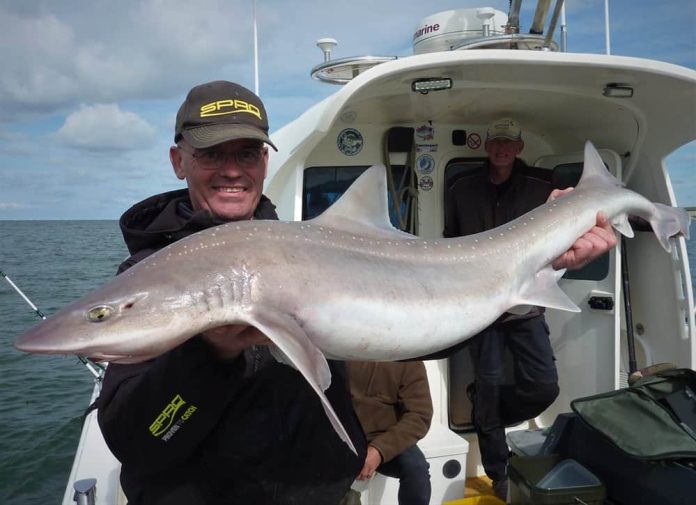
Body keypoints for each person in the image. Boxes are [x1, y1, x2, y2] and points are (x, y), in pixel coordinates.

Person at [95, 80, 366, 505]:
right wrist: (210, 355)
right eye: (211, 153)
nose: (232, 170)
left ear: (264, 160)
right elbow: (139, 442)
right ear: (178, 160)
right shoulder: (144, 281)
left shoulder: (314, 252)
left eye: (246, 153)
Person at [443, 117, 618, 500]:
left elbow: (580, 221)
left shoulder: (545, 187)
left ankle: (486, 413)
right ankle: (498, 470)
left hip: (527, 304)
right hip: (483, 305)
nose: (501, 148)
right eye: (495, 142)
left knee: (543, 387)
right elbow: (450, 240)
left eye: (508, 142)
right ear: (486, 146)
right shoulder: (461, 188)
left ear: (519, 148)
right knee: (487, 386)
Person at [347, 361, 433, 505]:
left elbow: (419, 415)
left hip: (386, 437)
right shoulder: (339, 349)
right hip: (344, 433)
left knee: (416, 468)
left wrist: (379, 450)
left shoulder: (409, 358)